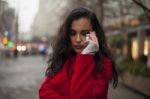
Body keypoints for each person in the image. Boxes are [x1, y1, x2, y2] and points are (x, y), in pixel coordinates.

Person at [39, 7, 118, 99]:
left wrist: (86, 56)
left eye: (84, 33)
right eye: (73, 33)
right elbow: (44, 92)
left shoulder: (103, 64)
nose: (78, 39)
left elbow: (81, 96)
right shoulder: (63, 58)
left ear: (95, 34)